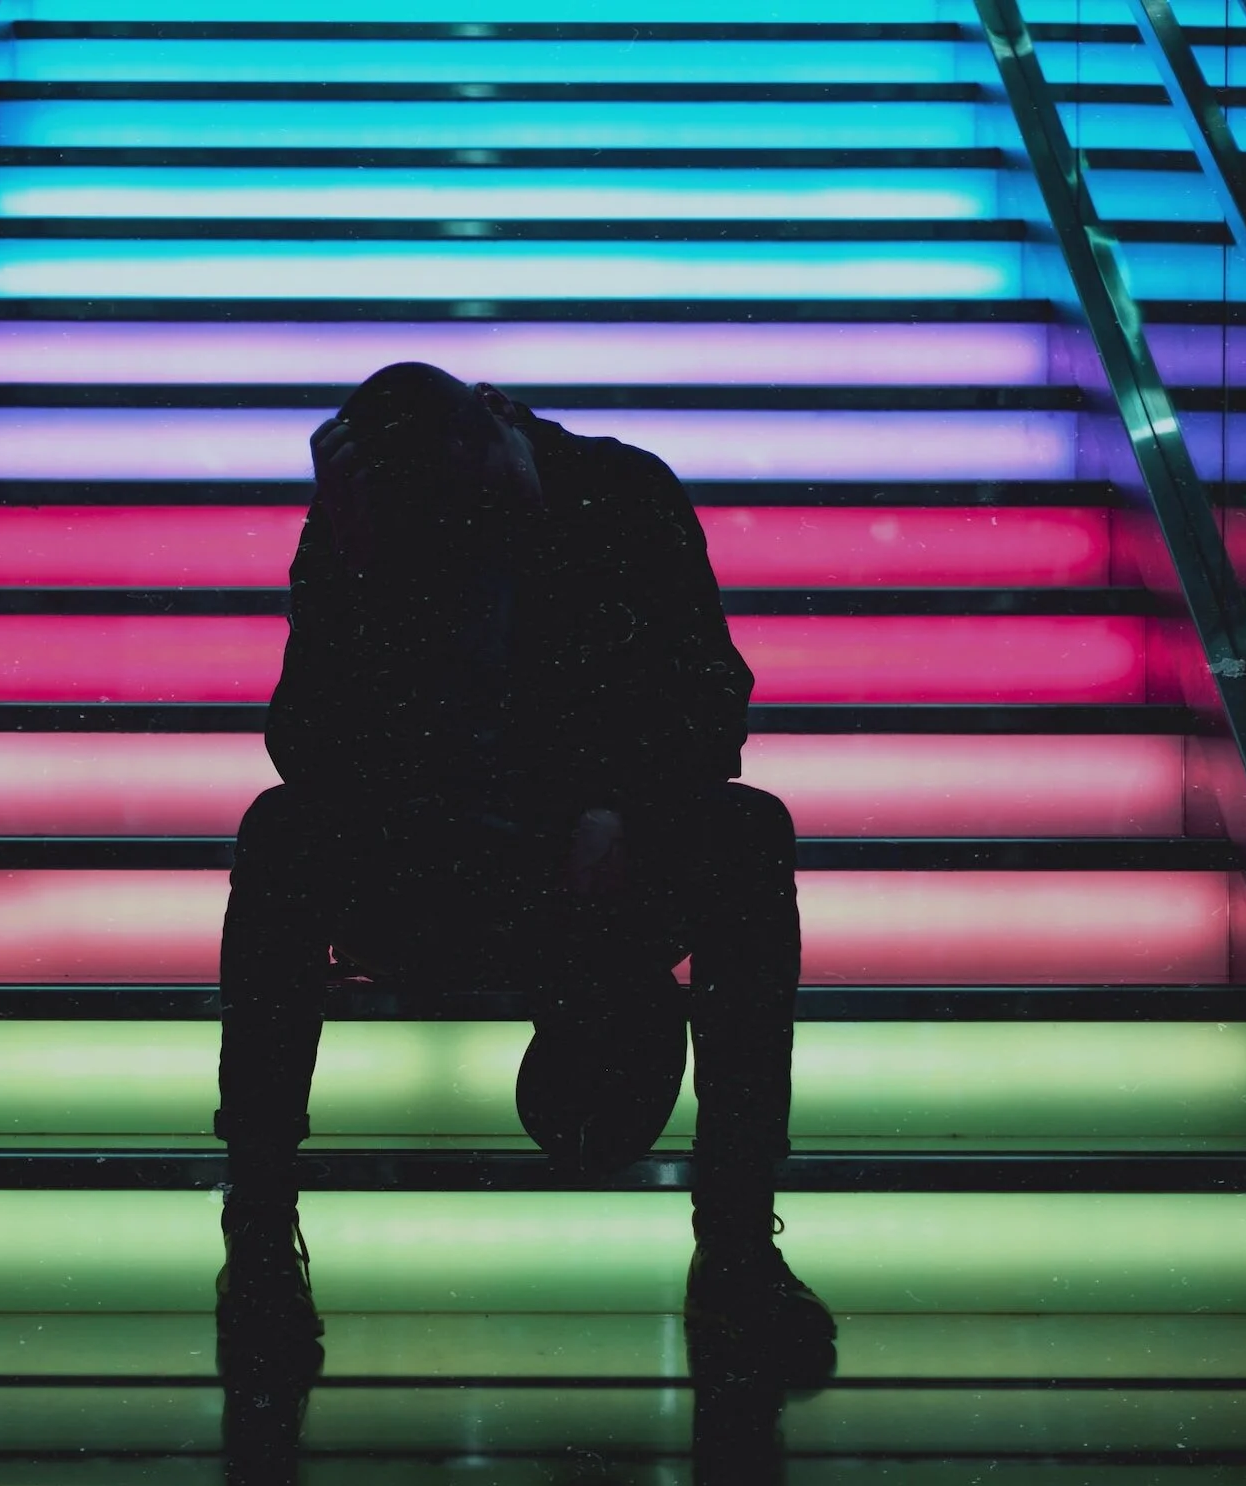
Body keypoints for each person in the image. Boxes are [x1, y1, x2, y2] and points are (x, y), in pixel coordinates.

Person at [213, 361, 835, 1388]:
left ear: (502, 418)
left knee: (748, 834)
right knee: (281, 832)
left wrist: (618, 804)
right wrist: (353, 568)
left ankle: (735, 1238)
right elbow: (305, 748)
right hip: (437, 862)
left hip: (596, 869)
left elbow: (711, 696)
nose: (473, 527)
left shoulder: (622, 492)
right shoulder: (372, 520)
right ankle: (261, 1227)